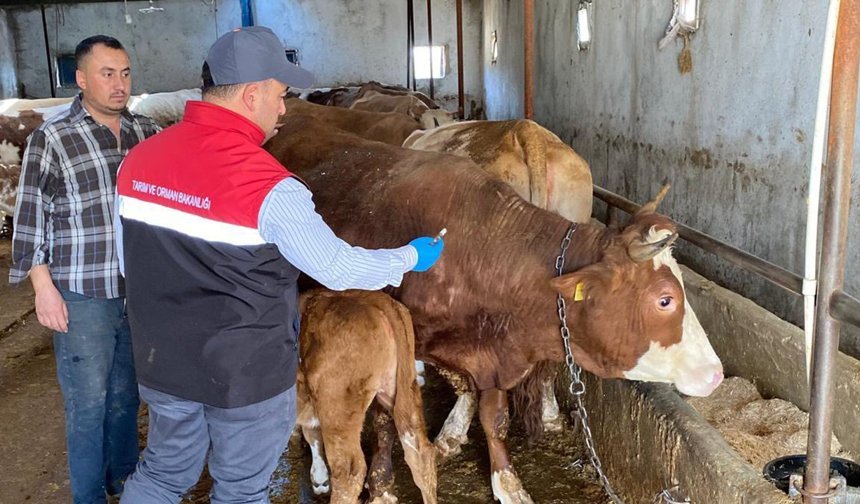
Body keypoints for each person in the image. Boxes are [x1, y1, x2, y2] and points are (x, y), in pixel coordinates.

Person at [115, 26, 444, 503]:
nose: (284, 108)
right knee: (242, 490)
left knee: (163, 475)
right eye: (280, 94)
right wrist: (410, 256)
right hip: (244, 376)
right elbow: (338, 270)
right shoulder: (269, 186)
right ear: (251, 95)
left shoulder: (136, 163)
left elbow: (132, 265)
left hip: (162, 364)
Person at [9, 35, 160, 503]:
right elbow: (30, 219)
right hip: (80, 292)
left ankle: (124, 482)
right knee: (88, 404)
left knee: (127, 398)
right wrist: (43, 289)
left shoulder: (145, 132)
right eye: (107, 74)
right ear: (80, 79)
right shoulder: (51, 138)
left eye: (125, 73)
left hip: (136, 292)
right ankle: (90, 496)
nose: (119, 85)